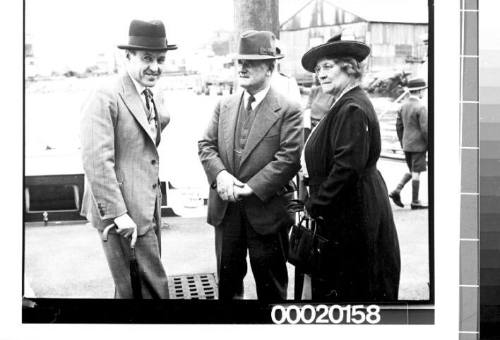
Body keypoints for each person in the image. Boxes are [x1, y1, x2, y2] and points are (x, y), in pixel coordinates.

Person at [198, 30, 303, 301]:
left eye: (251, 61)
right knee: (228, 286)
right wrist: (220, 175)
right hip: (226, 211)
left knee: (272, 288)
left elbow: (289, 158)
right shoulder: (224, 105)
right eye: (240, 62)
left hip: (267, 213)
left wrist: (250, 188)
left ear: (270, 68)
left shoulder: (289, 108)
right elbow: (206, 146)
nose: (242, 67)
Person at [80, 19, 177, 298]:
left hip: (147, 206)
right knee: (151, 289)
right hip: (121, 213)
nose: (155, 67)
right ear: (127, 57)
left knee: (130, 289)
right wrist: (119, 214)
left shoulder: (153, 93)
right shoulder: (105, 94)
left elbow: (153, 131)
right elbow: (97, 161)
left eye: (160, 59)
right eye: (147, 58)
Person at [300, 34, 401, 301]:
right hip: (348, 208)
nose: (320, 74)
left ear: (349, 67)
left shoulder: (352, 107)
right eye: (318, 69)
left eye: (327, 66)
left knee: (355, 287)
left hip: (353, 211)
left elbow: (347, 168)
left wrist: (315, 204)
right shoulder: (344, 102)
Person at [389, 78, 429, 209]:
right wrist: (430, 145)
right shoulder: (421, 107)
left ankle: (397, 190)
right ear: (419, 91)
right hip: (418, 146)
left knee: (411, 170)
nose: (424, 92)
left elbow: (398, 127)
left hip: (406, 144)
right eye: (424, 90)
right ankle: (415, 201)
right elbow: (425, 129)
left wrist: (402, 142)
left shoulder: (403, 106)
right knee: (416, 172)